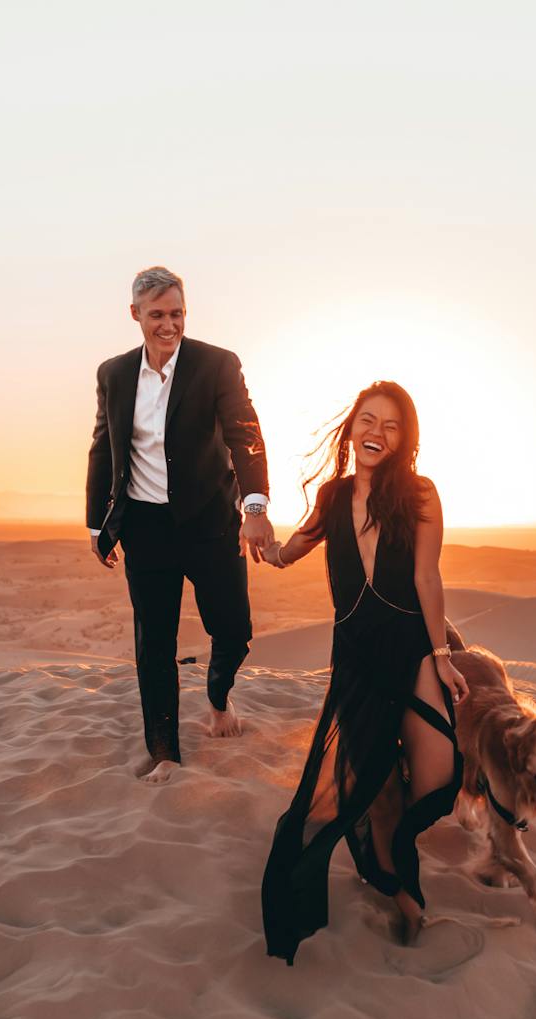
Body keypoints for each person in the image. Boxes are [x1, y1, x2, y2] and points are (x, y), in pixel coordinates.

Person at [259, 381, 469, 962]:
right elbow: (284, 553)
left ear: (405, 439)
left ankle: (392, 829)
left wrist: (442, 657)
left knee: (436, 776)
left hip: (412, 649)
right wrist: (254, 526)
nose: (377, 433)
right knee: (363, 789)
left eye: (392, 425)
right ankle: (403, 894)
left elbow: (428, 579)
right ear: (352, 428)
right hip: (356, 656)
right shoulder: (332, 498)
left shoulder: (421, 495)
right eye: (368, 421)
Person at [85, 267, 275, 784]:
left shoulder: (217, 365)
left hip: (212, 523)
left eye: (176, 314)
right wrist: (96, 525)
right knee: (154, 645)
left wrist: (254, 509)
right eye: (157, 315)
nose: (168, 326)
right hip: (144, 528)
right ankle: (165, 752)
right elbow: (104, 447)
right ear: (135, 316)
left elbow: (245, 435)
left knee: (233, 629)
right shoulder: (114, 374)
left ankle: (217, 695)